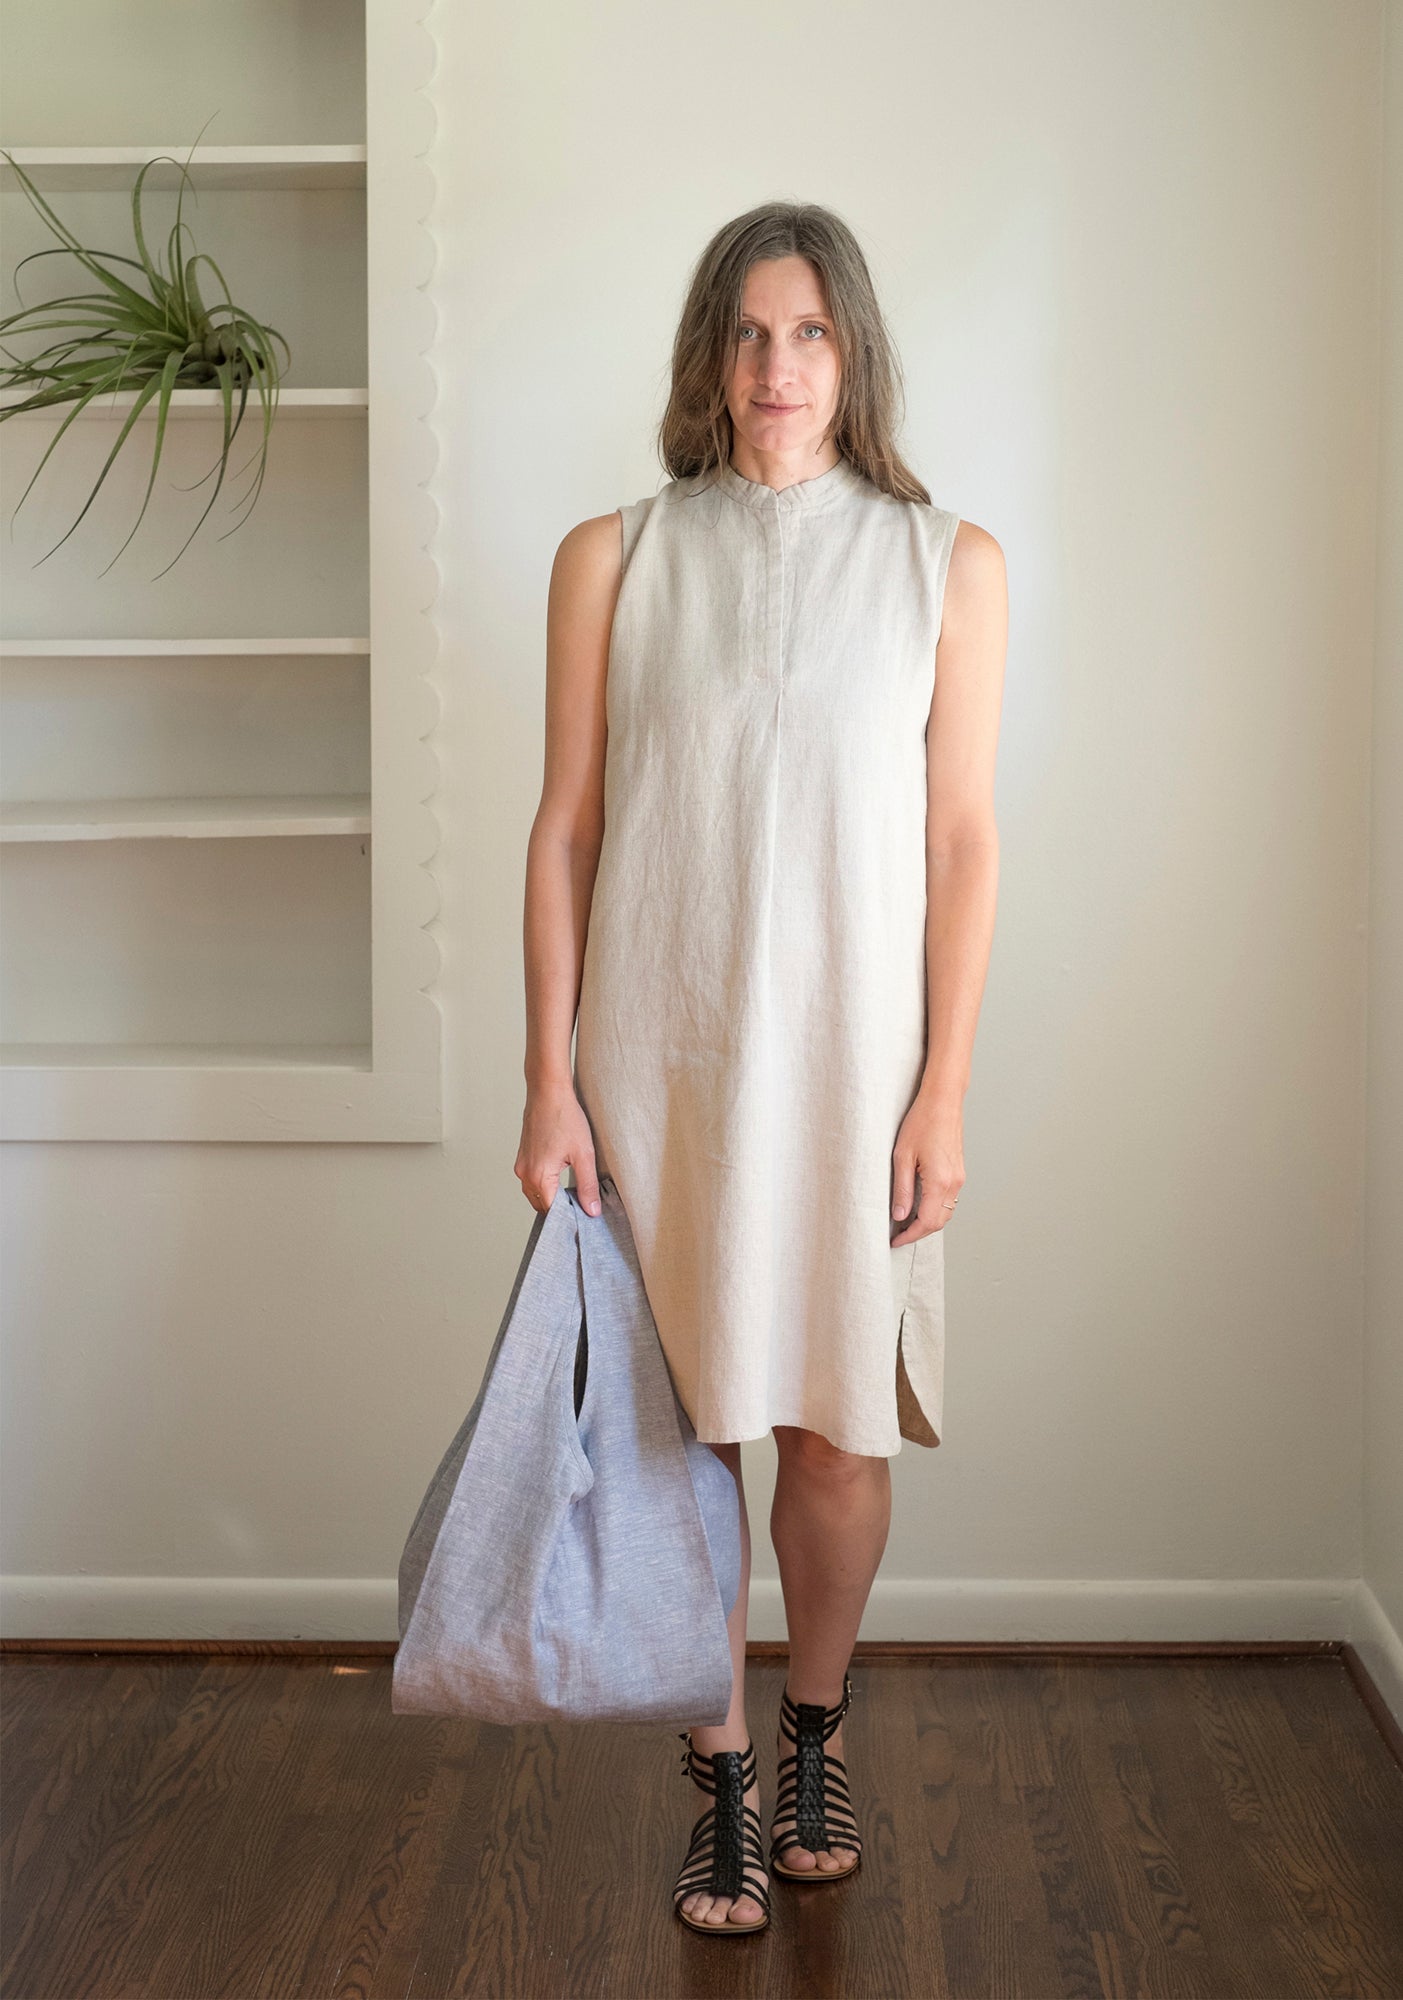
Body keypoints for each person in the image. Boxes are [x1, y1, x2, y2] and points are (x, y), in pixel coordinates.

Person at [516, 201, 1007, 1935]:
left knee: (831, 1427)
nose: (774, 367)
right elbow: (566, 829)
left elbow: (961, 838)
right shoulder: (617, 556)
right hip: (662, 1058)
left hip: (856, 1066)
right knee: (677, 1435)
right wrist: (547, 1080)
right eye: (744, 332)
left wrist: (945, 1087)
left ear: (851, 352)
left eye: (805, 333)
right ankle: (717, 1770)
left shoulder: (946, 561)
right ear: (703, 357)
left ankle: (813, 1726)